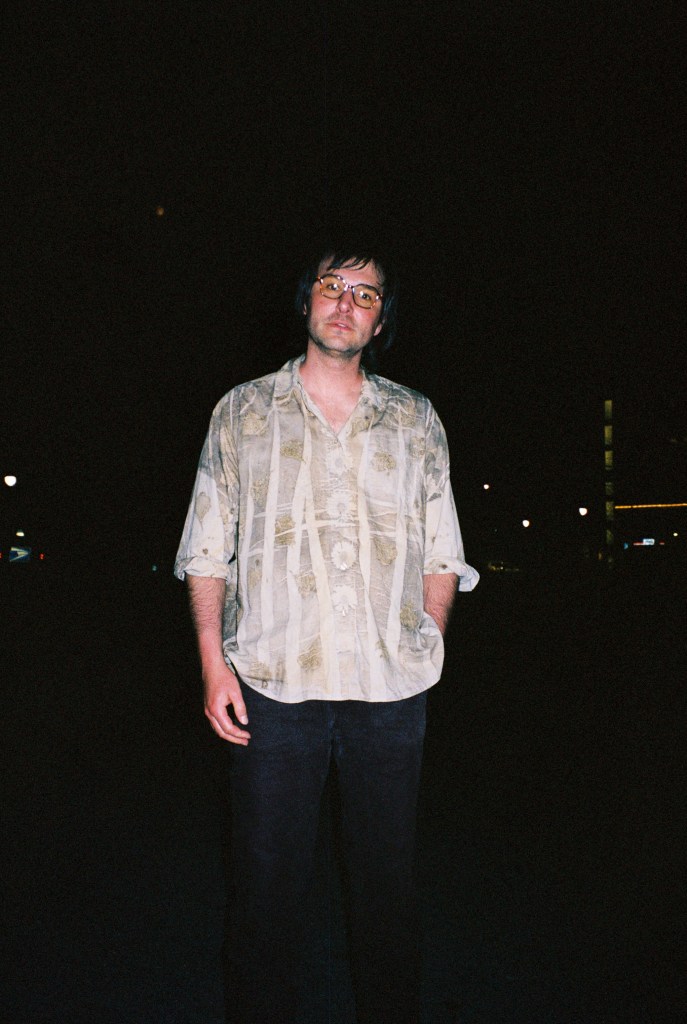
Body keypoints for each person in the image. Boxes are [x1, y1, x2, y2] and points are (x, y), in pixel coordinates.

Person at [174, 245, 479, 1024]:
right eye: (332, 288)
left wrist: (429, 639)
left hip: (389, 690)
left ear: (380, 321)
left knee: (388, 887)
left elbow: (441, 551)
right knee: (265, 890)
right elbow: (207, 548)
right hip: (272, 687)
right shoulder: (241, 411)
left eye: (366, 296)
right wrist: (213, 665)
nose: (346, 304)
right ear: (306, 301)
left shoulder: (413, 418)